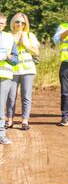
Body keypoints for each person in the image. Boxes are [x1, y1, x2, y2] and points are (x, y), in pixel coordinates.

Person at [6, 13, 40, 131]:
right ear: (13, 23)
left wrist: (26, 45)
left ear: (26, 24)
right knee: (11, 97)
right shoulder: (7, 35)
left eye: (23, 22)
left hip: (27, 70)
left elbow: (37, 52)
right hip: (12, 70)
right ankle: (9, 120)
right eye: (17, 22)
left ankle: (25, 121)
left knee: (26, 96)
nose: (20, 24)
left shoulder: (30, 36)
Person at [0, 13, 19, 144]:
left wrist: (9, 57)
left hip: (4, 76)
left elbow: (16, 59)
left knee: (0, 106)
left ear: (5, 25)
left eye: (2, 23)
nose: (0, 25)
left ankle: (1, 134)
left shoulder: (9, 38)